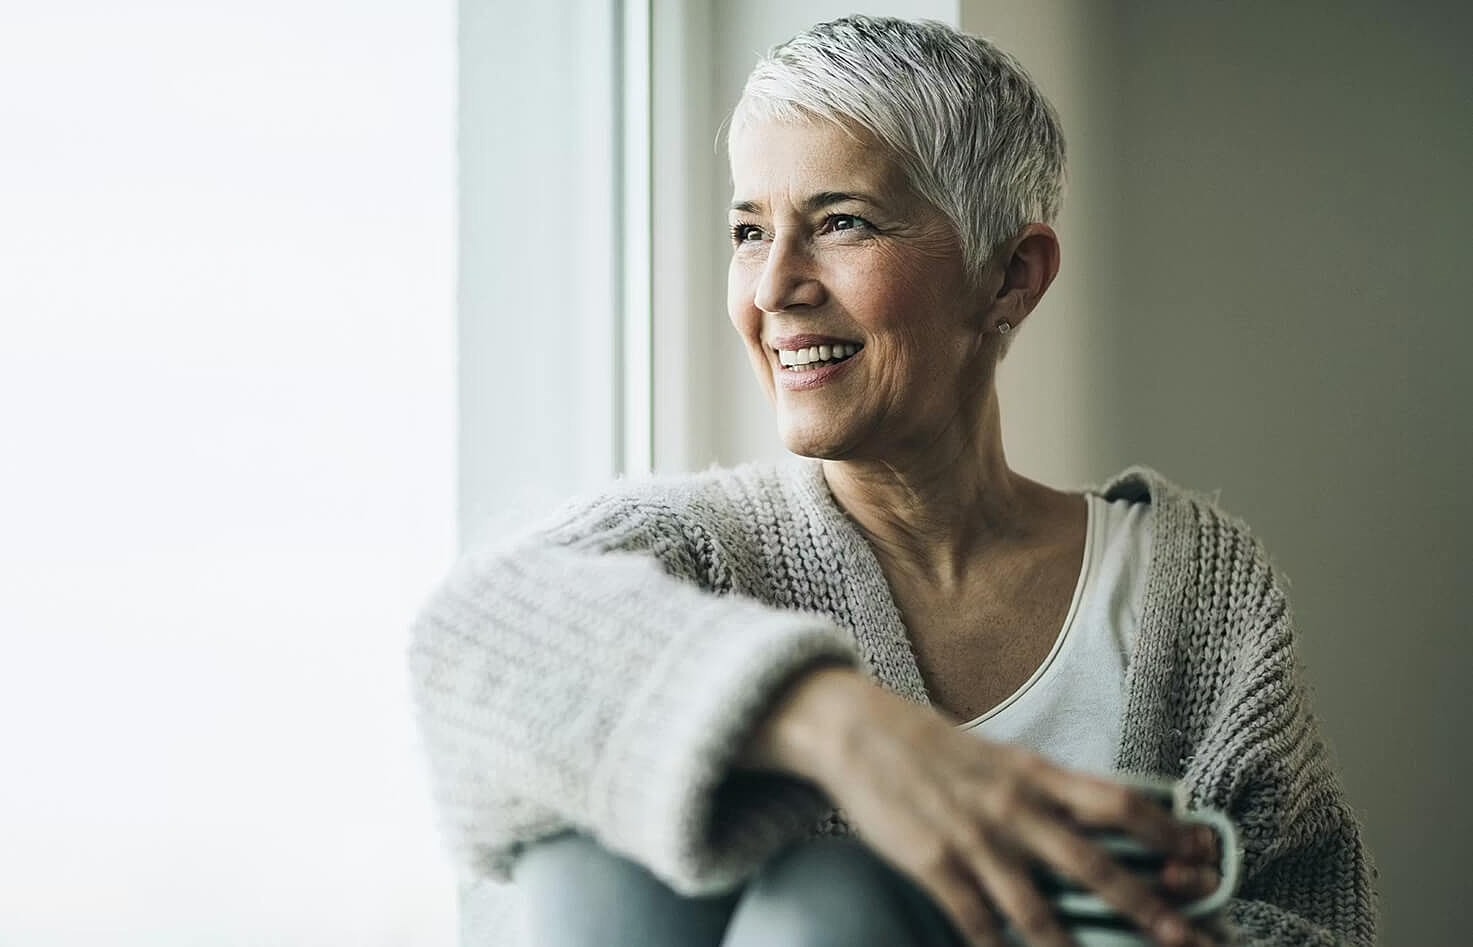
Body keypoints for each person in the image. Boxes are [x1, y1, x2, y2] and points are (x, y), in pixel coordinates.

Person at [409, 15, 1375, 947]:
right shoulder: (697, 550)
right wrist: (846, 730)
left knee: (830, 892)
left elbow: (1303, 919)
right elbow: (470, 634)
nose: (775, 286)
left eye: (840, 222)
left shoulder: (1194, 588)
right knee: (592, 853)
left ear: (1011, 278)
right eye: (749, 231)